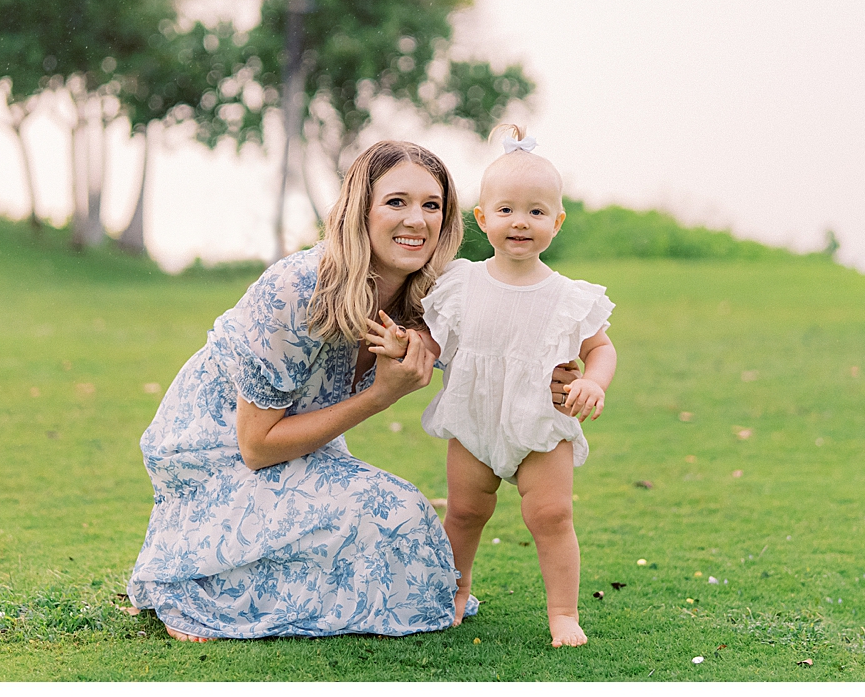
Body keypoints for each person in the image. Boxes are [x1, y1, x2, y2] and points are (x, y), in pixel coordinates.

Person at [127, 140, 475, 642]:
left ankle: (271, 579)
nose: (416, 220)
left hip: (299, 448)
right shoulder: (298, 288)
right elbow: (256, 447)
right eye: (396, 202)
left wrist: (563, 381)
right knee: (395, 511)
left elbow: (502, 354)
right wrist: (380, 395)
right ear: (362, 210)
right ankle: (194, 586)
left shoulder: (434, 297)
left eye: (431, 205)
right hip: (218, 452)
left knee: (407, 528)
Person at [372, 126, 617, 648]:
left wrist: (594, 381)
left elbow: (600, 349)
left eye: (535, 211)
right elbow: (435, 341)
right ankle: (453, 594)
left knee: (551, 515)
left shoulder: (569, 296)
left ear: (557, 220)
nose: (520, 223)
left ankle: (563, 612)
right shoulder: (461, 283)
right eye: (505, 210)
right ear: (482, 218)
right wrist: (405, 345)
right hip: (475, 419)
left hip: (538, 424)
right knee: (464, 512)